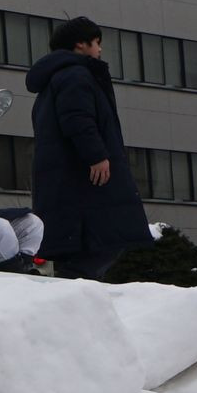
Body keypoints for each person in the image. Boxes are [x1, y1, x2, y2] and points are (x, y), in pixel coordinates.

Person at [25, 17, 149, 279]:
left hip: (66, 182)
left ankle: (77, 288)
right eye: (96, 42)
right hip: (83, 180)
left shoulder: (54, 79)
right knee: (101, 243)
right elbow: (78, 119)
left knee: (85, 246)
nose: (100, 49)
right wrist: (97, 155)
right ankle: (77, 290)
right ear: (80, 44)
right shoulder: (76, 75)